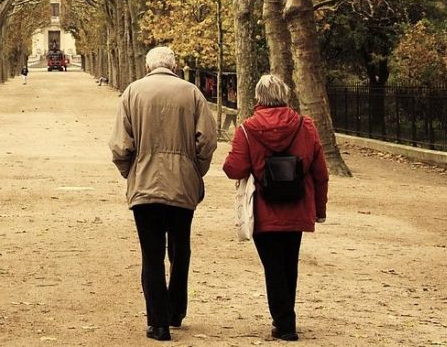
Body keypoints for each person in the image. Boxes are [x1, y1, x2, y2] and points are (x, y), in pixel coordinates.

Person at [109, 46, 218, 341]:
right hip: (182, 184)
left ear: (147, 67)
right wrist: (194, 169)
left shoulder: (132, 93)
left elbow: (120, 145)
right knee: (180, 250)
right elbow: (207, 140)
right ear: (175, 66)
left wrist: (131, 171)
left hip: (144, 184)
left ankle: (158, 324)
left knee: (152, 255)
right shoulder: (192, 93)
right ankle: (176, 310)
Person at [223, 74, 329, 342]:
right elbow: (320, 172)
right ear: (284, 95)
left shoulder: (247, 129)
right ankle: (286, 318)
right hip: (297, 206)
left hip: (264, 208)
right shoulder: (305, 126)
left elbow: (234, 168)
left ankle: (284, 322)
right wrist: (319, 209)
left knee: (273, 265)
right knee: (289, 263)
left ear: (258, 97)